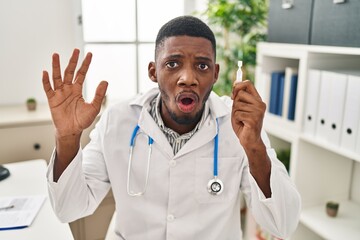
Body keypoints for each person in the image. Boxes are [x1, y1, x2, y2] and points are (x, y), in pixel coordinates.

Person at [43, 15, 301, 240]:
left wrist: (254, 147)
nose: (188, 78)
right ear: (153, 72)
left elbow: (282, 224)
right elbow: (69, 208)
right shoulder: (117, 121)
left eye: (202, 66)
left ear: (215, 74)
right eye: (173, 64)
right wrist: (67, 137)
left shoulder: (243, 128)